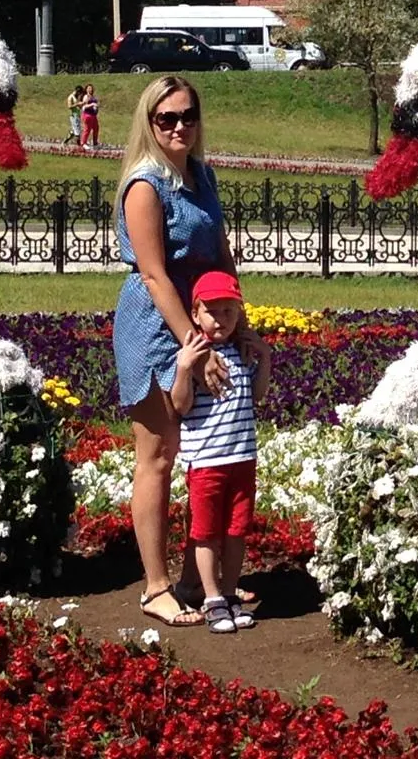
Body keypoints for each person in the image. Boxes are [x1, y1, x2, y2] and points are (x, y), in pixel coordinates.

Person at [113, 75, 266, 628]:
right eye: (166, 119)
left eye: (188, 116)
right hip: (158, 326)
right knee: (158, 453)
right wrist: (193, 347)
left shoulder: (201, 175)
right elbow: (154, 275)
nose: (179, 126)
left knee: (204, 450)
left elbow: (222, 257)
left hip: (204, 319)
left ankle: (196, 579)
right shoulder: (145, 186)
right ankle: (156, 586)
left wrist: (240, 323)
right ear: (149, 124)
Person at [171, 270, 270, 633]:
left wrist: (265, 358)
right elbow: (180, 406)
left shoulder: (240, 350)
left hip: (242, 457)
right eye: (212, 311)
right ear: (195, 313)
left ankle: (228, 592)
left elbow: (257, 397)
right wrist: (184, 369)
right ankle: (211, 596)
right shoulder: (195, 355)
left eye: (230, 311)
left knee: (236, 529)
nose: (221, 320)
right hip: (207, 461)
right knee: (206, 531)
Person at [80, 85, 101, 149]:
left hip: (93, 115)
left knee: (96, 128)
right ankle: (83, 143)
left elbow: (96, 104)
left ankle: (95, 143)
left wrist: (97, 108)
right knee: (87, 129)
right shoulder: (86, 96)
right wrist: (92, 105)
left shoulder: (94, 97)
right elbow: (84, 106)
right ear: (86, 89)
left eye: (91, 88)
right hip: (87, 114)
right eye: (89, 88)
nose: (90, 89)